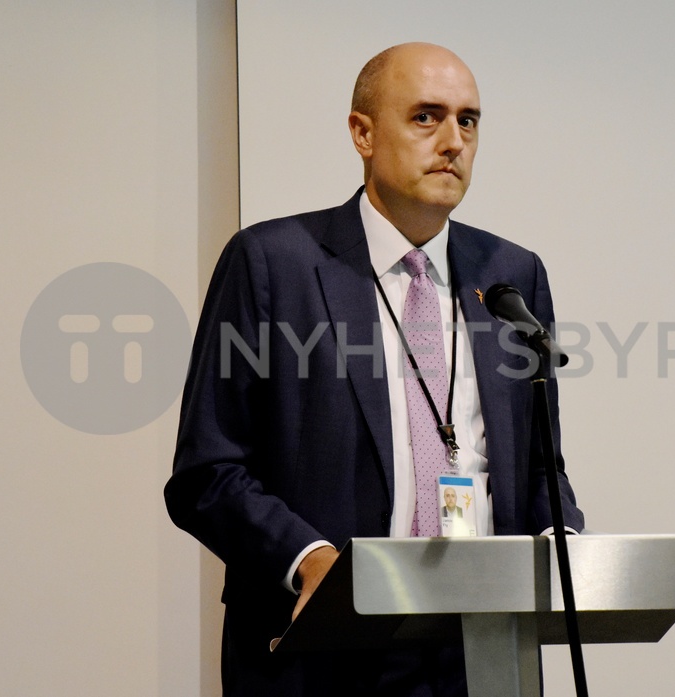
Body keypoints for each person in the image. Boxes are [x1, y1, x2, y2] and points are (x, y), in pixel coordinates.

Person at [164, 42, 585, 697]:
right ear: (363, 133)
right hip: (321, 649)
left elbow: (538, 467)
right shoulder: (273, 263)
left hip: (478, 650)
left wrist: (564, 543)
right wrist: (312, 561)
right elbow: (207, 471)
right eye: (426, 117)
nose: (453, 141)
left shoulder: (510, 275)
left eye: (468, 121)